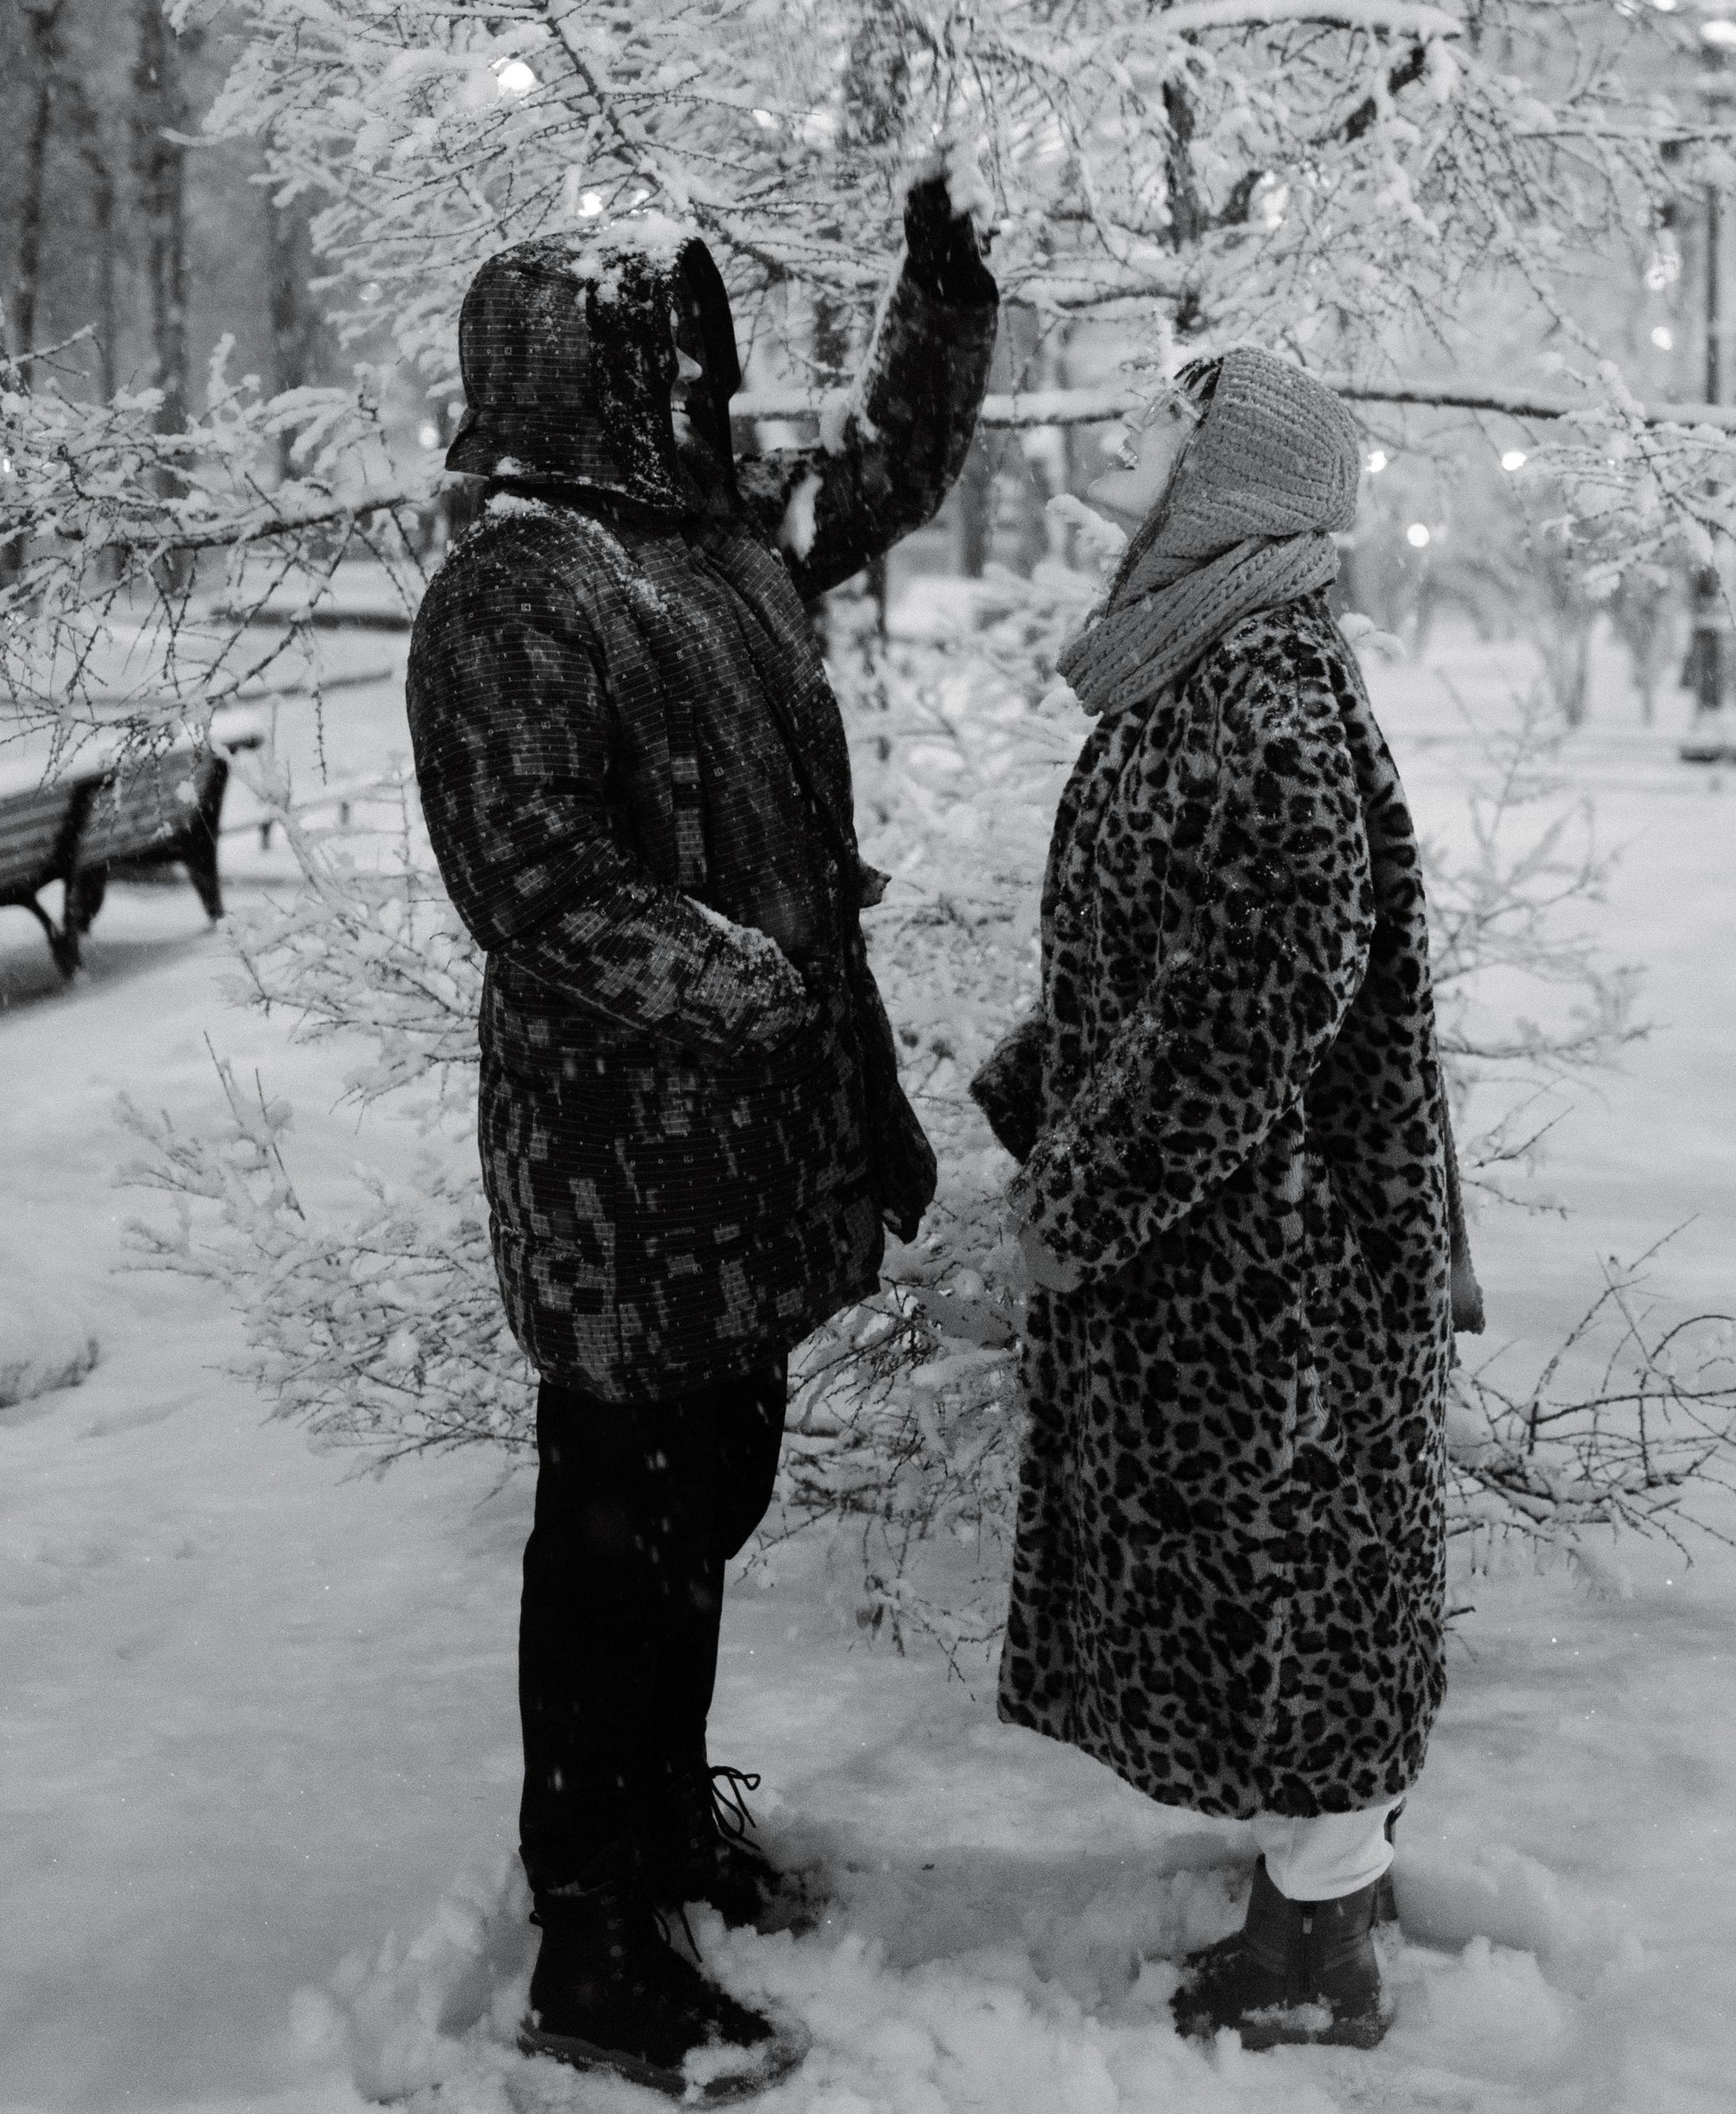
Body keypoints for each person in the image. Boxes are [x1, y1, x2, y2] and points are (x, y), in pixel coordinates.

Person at [407, 166, 995, 2098]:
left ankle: (658, 1835)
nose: (697, 385)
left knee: (700, 1512)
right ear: (579, 365)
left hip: (739, 1169)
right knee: (614, 1542)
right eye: (662, 352)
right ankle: (591, 1940)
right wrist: (748, 984)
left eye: (701, 351)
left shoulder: (718, 550)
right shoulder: (519, 586)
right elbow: (537, 886)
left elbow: (888, 477)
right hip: (616, 1182)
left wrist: (943, 283)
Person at [971, 349, 1470, 2055]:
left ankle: (1323, 1955)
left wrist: (1072, 1200)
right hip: (1237, 1236)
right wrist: (1042, 1093)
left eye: (1165, 418)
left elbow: (1256, 995)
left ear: (1232, 481)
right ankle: (1325, 1887)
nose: (1117, 427)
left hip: (1281, 1257)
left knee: (1295, 1587)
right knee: (1289, 1577)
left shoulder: (1261, 681)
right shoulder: (1203, 665)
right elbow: (1172, 961)